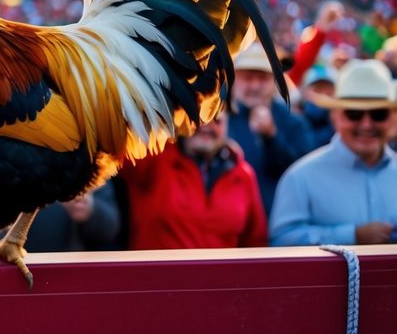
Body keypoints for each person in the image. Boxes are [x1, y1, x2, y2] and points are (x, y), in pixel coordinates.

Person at [270, 59, 397, 246]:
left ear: (392, 118)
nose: (366, 124)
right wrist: (351, 236)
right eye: (354, 114)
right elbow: (280, 241)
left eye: (378, 114)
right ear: (335, 117)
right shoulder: (301, 177)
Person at [122, 108, 267, 249]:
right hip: (157, 273)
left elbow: (255, 242)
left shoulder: (243, 174)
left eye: (216, 120)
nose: (205, 127)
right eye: (197, 119)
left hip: (221, 274)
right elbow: (122, 133)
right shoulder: (152, 158)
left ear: (228, 123)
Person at [225, 42, 311, 215]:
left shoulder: (293, 123)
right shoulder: (219, 122)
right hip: (231, 221)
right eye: (248, 78)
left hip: (280, 219)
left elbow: (304, 174)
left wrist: (272, 137)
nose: (255, 86)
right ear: (234, 79)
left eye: (262, 78)